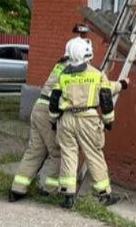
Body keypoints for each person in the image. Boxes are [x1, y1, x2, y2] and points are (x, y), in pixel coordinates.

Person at [9, 24, 91, 203]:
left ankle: (17, 188)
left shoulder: (60, 63)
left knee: (34, 151)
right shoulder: (73, 68)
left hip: (38, 107)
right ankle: (50, 189)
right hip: (49, 112)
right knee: (58, 152)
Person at [48, 37, 126, 209]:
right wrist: (108, 121)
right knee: (94, 155)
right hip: (88, 119)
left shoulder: (64, 75)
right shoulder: (97, 75)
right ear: (87, 54)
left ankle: (68, 195)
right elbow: (106, 99)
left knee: (68, 156)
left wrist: (53, 120)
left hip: (66, 119)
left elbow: (54, 100)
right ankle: (104, 194)